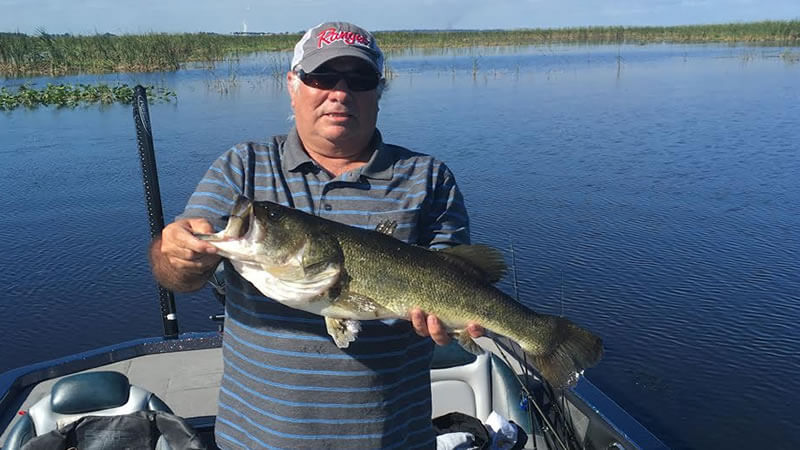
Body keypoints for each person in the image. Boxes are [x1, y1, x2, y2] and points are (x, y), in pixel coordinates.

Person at [149, 21, 481, 449]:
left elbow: (461, 277)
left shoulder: (427, 177)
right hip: (258, 440)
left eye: (358, 79)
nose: (339, 93)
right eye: (321, 77)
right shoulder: (243, 167)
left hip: (392, 438)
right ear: (293, 85)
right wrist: (176, 253)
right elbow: (178, 273)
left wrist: (449, 324)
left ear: (378, 91)